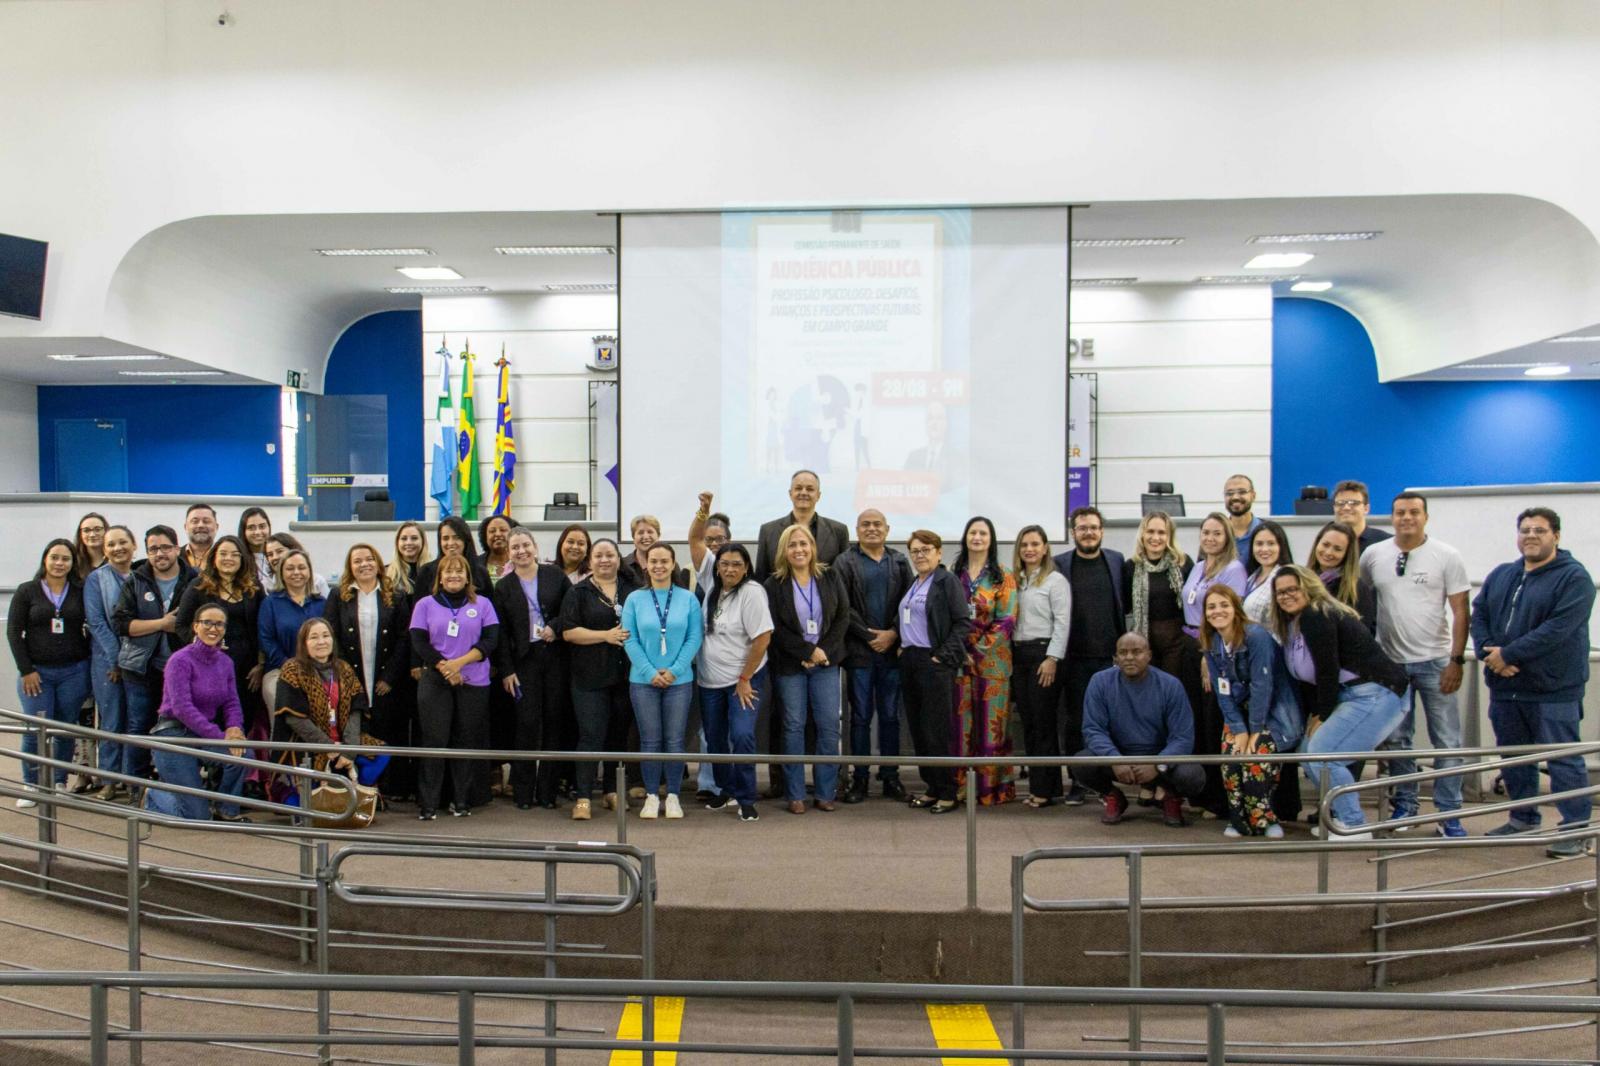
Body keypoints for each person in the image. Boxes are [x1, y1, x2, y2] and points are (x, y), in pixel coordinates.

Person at [1473, 508, 1596, 856]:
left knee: (1563, 760)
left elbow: (1556, 630)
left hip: (1553, 689)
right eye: (1525, 530)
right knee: (1514, 758)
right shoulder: (1502, 574)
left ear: (1556, 535)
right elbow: (1479, 613)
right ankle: (1523, 819)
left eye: (1539, 530)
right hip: (1505, 687)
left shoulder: (1574, 579)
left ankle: (1574, 829)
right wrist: (1487, 652)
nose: (1530, 535)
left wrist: (1508, 654)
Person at [1360, 492, 1471, 836]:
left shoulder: (1446, 556)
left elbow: (1460, 611)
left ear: (1425, 516)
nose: (1406, 518)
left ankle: (1449, 814)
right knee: (1396, 742)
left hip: (1436, 662)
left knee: (1447, 742)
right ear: (1391, 517)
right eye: (1399, 512)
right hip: (1391, 665)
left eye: (1413, 512)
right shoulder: (1373, 555)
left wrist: (1456, 660)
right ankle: (1404, 807)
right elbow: (1362, 600)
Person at [1271, 565, 1409, 838]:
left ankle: (1355, 825)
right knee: (1309, 751)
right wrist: (1318, 712)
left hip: (1377, 693)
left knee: (1324, 755)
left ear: (1308, 587)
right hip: (1348, 695)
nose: (1286, 596)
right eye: (1280, 592)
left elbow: (1327, 669)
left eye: (1292, 589)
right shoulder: (1295, 623)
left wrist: (1322, 714)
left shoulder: (1317, 614)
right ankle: (1339, 818)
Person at [1201, 586, 1302, 838]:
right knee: (1231, 759)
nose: (1218, 611)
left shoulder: (1256, 636)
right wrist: (1237, 728)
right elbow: (1221, 690)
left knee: (1256, 760)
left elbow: (1262, 685)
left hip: (1271, 711)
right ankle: (1237, 819)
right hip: (1238, 712)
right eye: (1211, 607)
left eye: (1224, 605)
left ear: (1235, 608)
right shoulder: (1211, 642)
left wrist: (1255, 730)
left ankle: (1264, 819)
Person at [764, 523, 850, 814]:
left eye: (804, 544)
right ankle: (795, 793)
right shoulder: (773, 585)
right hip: (791, 665)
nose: (799, 549)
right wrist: (807, 651)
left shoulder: (830, 575)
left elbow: (842, 617)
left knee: (828, 727)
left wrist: (821, 651)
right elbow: (774, 628)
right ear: (784, 551)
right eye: (792, 545)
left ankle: (826, 792)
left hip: (826, 663)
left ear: (813, 547)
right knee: (793, 727)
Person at [1079, 633, 1206, 827]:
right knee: (1081, 763)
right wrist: (1114, 759)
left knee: (1192, 775)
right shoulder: (1099, 682)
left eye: (1137, 652)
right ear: (1115, 658)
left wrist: (1157, 765)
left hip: (1160, 758)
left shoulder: (1170, 685)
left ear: (1149, 655)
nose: (1129, 657)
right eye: (1123, 652)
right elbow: (1093, 729)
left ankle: (1170, 797)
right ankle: (1113, 797)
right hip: (1118, 756)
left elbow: (1182, 737)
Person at [409, 554, 500, 819]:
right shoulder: (425, 604)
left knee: (465, 741)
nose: (454, 576)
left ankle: (461, 801)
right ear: (439, 576)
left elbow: (490, 640)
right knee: (435, 741)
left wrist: (459, 664)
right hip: (436, 680)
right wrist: (445, 668)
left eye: (459, 571)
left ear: (468, 576)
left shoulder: (482, 604)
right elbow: (419, 641)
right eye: (448, 572)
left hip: (474, 680)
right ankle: (429, 803)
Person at [174, 535, 266, 794]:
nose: (229, 559)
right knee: (214, 723)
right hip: (209, 669)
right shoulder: (198, 587)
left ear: (242, 559)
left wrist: (260, 665)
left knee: (241, 721)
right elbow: (181, 626)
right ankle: (215, 781)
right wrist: (205, 644)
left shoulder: (253, 588)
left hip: (247, 670)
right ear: (214, 557)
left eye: (235, 554)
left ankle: (237, 785)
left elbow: (262, 629)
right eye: (223, 553)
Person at [833, 508, 912, 804]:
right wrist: (870, 637)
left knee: (891, 717)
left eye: (877, 524)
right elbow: (843, 606)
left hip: (891, 654)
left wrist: (892, 633)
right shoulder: (845, 562)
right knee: (861, 718)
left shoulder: (900, 561)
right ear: (857, 529)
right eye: (865, 524)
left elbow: (909, 604)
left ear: (887, 529)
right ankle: (861, 780)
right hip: (859, 655)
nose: (872, 529)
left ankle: (891, 777)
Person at [620, 543, 703, 819]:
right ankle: (653, 795)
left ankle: (675, 795)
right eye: (653, 561)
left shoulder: (688, 599)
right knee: (651, 740)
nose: (658, 566)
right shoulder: (634, 599)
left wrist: (674, 670)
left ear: (672, 564)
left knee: (675, 740)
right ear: (646, 566)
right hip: (643, 680)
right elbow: (628, 638)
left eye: (664, 561)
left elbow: (694, 638)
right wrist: (649, 672)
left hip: (679, 681)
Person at [143, 603, 247, 821]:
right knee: (195, 817)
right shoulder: (179, 660)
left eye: (219, 624)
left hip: (203, 735)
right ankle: (156, 793)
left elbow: (231, 702)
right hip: (173, 735)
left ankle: (226, 810)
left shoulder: (226, 663)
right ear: (195, 626)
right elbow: (182, 708)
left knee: (245, 756)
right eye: (207, 622)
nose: (213, 628)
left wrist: (235, 729)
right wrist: (222, 738)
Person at [492, 527, 570, 811]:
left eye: (525, 545)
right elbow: (499, 634)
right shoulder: (503, 586)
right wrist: (506, 670)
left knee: (553, 723)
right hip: (522, 661)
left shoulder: (555, 576)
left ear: (535, 547)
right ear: (509, 553)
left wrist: (555, 627)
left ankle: (547, 792)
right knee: (526, 725)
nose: (521, 551)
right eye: (515, 547)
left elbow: (569, 610)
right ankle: (523, 792)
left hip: (554, 656)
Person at [8, 540, 91, 806]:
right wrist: (26, 670)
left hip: (73, 672)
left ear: (72, 563)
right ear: (45, 559)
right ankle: (31, 784)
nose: (59, 563)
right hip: (37, 673)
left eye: (65, 559)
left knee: (65, 728)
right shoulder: (27, 591)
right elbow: (13, 632)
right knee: (35, 727)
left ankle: (58, 782)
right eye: (54, 557)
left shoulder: (79, 591)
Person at [323, 543, 410, 798]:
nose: (364, 564)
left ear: (378, 562)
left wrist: (389, 677)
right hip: (351, 677)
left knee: (386, 729)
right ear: (350, 567)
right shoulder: (338, 596)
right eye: (357, 561)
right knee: (356, 730)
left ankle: (390, 789)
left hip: (385, 678)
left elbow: (404, 638)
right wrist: (346, 676)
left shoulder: (396, 595)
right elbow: (332, 634)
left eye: (369, 559)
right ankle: (357, 789)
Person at [560, 539, 639, 813]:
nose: (604, 560)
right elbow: (568, 632)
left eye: (610, 555)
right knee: (590, 735)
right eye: (598, 556)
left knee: (618, 736)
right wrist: (605, 636)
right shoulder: (578, 592)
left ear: (619, 559)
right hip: (588, 677)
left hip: (625, 674)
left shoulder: (633, 590)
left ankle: (611, 791)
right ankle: (583, 797)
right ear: (590, 561)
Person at [113, 525, 197, 783]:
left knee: (178, 727)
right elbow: (122, 624)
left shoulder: (195, 580)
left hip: (180, 669)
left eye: (165, 547)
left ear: (176, 548)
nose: (160, 553)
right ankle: (135, 783)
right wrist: (161, 623)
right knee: (138, 727)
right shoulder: (136, 580)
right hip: (140, 668)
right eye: (153, 549)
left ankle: (176, 782)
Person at [1053, 506, 1125, 805]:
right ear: (1073, 533)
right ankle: (1079, 781)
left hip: (1111, 659)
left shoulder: (1117, 561)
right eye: (1082, 528)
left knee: (1109, 722)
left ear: (1102, 530)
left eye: (1093, 527)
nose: (1088, 532)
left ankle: (1105, 782)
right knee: (1076, 722)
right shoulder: (1059, 564)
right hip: (1074, 658)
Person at [697, 543, 773, 821]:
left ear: (746, 568)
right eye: (725, 563)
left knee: (742, 735)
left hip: (743, 680)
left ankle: (746, 796)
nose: (730, 569)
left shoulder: (752, 592)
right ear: (717, 566)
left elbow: (762, 638)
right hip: (709, 681)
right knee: (715, 739)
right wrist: (702, 513)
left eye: (737, 564)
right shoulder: (712, 585)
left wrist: (745, 678)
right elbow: (695, 542)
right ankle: (726, 790)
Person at [899, 530, 971, 814]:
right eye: (915, 550)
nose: (920, 555)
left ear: (939, 552)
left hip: (934, 663)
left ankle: (948, 792)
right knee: (918, 730)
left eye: (926, 549)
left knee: (936, 731)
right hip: (911, 661)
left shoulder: (946, 581)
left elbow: (962, 623)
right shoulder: (914, 582)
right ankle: (931, 787)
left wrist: (942, 656)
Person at [272, 617, 386, 795]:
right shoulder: (292, 669)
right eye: (314, 637)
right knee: (300, 804)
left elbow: (356, 710)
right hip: (308, 744)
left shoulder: (344, 668)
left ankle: (356, 793)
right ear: (304, 643)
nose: (321, 642)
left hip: (344, 740)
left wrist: (349, 750)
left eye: (326, 636)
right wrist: (328, 747)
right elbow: (294, 719)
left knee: (382, 754)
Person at [951, 516, 1019, 805]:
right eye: (972, 532)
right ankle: (959, 789)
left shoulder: (1003, 576)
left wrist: (977, 650)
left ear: (991, 540)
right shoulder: (954, 574)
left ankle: (991, 791)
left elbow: (1007, 619)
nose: (977, 537)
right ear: (965, 537)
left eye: (983, 533)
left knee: (991, 729)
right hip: (957, 660)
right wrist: (958, 650)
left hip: (993, 663)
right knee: (961, 727)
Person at [1011, 525, 1070, 808]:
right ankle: (1041, 787)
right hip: (1018, 656)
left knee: (1044, 723)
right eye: (1024, 545)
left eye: (1035, 544)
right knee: (1030, 724)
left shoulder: (1055, 581)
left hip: (1043, 656)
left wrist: (1052, 659)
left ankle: (1046, 790)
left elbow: (1062, 623)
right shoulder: (1016, 580)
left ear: (1045, 548)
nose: (1029, 549)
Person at [84, 525, 136, 798]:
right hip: (108, 662)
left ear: (134, 545)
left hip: (139, 661)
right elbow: (96, 622)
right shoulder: (97, 579)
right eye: (112, 544)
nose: (118, 548)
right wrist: (117, 660)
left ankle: (130, 777)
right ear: (105, 550)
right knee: (112, 720)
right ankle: (108, 779)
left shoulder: (141, 575)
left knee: (135, 720)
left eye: (123, 542)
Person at [258, 549, 327, 715]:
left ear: (309, 571)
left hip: (320, 671)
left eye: (301, 567)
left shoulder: (322, 603)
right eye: (290, 568)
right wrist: (291, 668)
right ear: (281, 572)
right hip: (279, 671)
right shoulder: (271, 603)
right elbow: (266, 640)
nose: (296, 572)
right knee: (285, 713)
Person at [753, 469, 851, 580]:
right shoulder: (768, 531)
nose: (803, 492)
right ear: (790, 494)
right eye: (798, 488)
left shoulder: (839, 531)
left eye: (810, 489)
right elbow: (761, 577)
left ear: (818, 495)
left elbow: (845, 577)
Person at [1309, 521, 1377, 633]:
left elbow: (1363, 635)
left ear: (1347, 554)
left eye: (1337, 549)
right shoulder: (1303, 580)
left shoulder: (1357, 588)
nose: (1328, 552)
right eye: (1325, 545)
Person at [416, 516, 492, 595]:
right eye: (445, 538)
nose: (451, 543)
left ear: (466, 540)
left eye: (457, 538)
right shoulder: (426, 571)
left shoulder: (481, 572)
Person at [1241, 521, 1294, 624]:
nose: (1264, 549)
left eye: (1271, 544)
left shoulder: (1287, 578)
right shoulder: (1252, 577)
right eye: (1259, 544)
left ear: (1281, 546)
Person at [622, 515, 690, 590]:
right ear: (633, 537)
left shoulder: (670, 564)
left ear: (658, 535)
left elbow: (679, 591)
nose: (646, 536)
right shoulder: (623, 564)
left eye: (650, 532)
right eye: (640, 532)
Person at [686, 492, 732, 594]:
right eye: (709, 539)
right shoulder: (709, 564)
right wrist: (704, 511)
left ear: (729, 541)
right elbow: (695, 538)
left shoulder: (753, 589)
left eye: (720, 539)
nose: (714, 544)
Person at [1332, 480, 1393, 555]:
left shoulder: (1386, 542)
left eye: (1354, 503)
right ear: (1334, 508)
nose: (1346, 508)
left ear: (1366, 508)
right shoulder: (1328, 543)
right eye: (1340, 503)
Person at [265, 533, 332, 598]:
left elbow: (328, 607)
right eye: (270, 554)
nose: (274, 557)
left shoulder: (317, 582)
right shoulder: (268, 584)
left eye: (279, 551)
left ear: (293, 550)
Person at [1222, 475, 1264, 565]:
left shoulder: (1269, 531)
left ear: (1253, 495)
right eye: (1229, 493)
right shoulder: (1215, 534)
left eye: (1242, 492)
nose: (1235, 497)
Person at [386, 521, 431, 600]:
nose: (409, 542)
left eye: (414, 538)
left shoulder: (434, 571)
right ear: (397, 543)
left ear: (423, 541)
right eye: (404, 538)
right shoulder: (386, 574)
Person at [72, 512, 108, 582]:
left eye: (97, 529)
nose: (92, 535)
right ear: (80, 534)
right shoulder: (74, 564)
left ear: (106, 531)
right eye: (86, 530)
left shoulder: (115, 562)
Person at [479, 513, 515, 582]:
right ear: (485, 536)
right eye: (492, 531)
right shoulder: (475, 564)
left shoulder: (522, 561)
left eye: (503, 530)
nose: (498, 534)